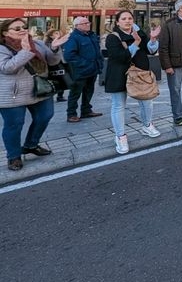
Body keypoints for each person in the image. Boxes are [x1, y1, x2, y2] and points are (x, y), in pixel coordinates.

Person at [0, 18, 65, 170]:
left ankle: (31, 145)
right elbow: (7, 68)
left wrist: (55, 49)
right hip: (13, 94)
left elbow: (52, 61)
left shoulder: (37, 43)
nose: (23, 30)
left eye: (24, 27)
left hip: (40, 89)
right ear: (5, 33)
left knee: (45, 116)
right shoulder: (2, 48)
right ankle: (14, 156)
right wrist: (25, 51)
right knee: (14, 125)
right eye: (17, 28)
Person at [104, 11, 162, 154]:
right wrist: (135, 43)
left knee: (147, 101)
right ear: (117, 22)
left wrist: (152, 39)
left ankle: (147, 125)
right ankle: (120, 136)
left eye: (130, 18)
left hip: (140, 74)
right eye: (123, 19)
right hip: (119, 75)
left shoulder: (139, 33)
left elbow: (150, 51)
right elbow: (120, 57)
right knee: (118, 105)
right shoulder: (112, 37)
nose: (127, 21)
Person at [62, 16, 104, 123]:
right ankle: (71, 114)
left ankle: (86, 110)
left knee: (89, 91)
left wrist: (100, 62)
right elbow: (69, 55)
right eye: (84, 23)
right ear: (77, 26)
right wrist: (84, 63)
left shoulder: (91, 35)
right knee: (75, 93)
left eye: (88, 22)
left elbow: (97, 50)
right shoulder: (73, 37)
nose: (88, 24)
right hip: (80, 71)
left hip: (93, 70)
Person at [44, 28, 67, 102]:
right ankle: (51, 93)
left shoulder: (60, 42)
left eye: (58, 33)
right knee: (53, 79)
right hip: (52, 63)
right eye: (56, 33)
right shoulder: (47, 44)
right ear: (51, 36)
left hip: (60, 62)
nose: (58, 34)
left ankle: (60, 95)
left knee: (61, 79)